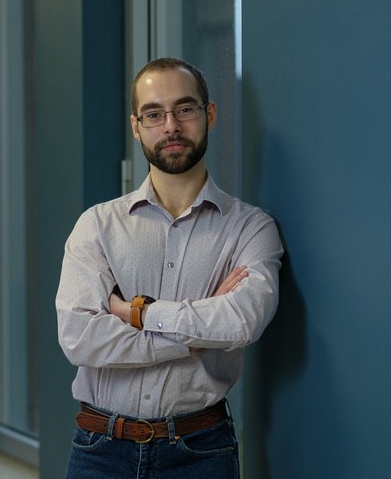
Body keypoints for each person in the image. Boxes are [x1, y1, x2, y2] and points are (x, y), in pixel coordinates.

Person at [55, 57, 283, 478]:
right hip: (100, 452)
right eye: (154, 114)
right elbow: (79, 338)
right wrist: (198, 332)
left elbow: (242, 322)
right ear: (136, 126)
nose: (171, 126)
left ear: (208, 114)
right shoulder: (98, 226)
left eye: (185, 109)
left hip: (200, 452)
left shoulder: (251, 228)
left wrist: (137, 313)